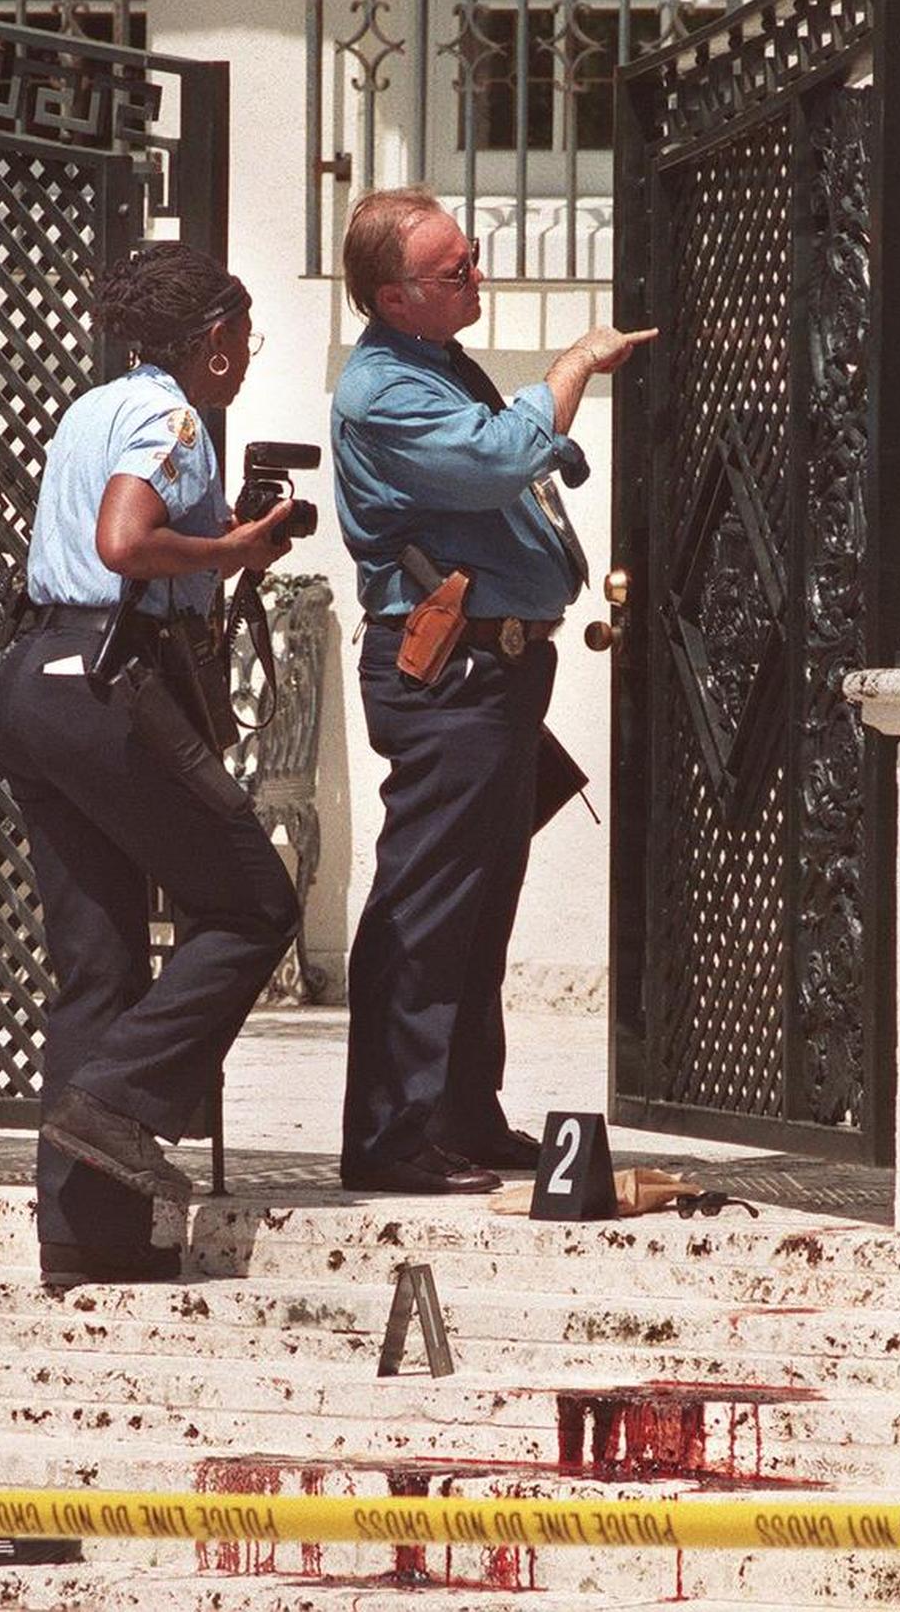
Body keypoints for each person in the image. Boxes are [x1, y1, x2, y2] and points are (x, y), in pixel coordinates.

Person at [0, 243, 301, 1286]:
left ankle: (86, 1237)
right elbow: (126, 542)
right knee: (254, 902)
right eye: (244, 338)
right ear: (214, 343)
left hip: (34, 678)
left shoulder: (92, 406)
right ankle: (118, 1104)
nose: (248, 356)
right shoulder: (173, 420)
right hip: (108, 688)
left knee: (101, 959)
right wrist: (234, 552)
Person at [332, 187, 657, 1195]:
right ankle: (390, 1139)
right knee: (427, 910)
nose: (477, 276)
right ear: (395, 299)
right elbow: (502, 456)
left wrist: (537, 430)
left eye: (470, 256)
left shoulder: (436, 364)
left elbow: (520, 454)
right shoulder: (383, 388)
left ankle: (462, 1116)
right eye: (454, 272)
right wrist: (567, 372)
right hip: (450, 671)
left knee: (475, 907)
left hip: (497, 669)